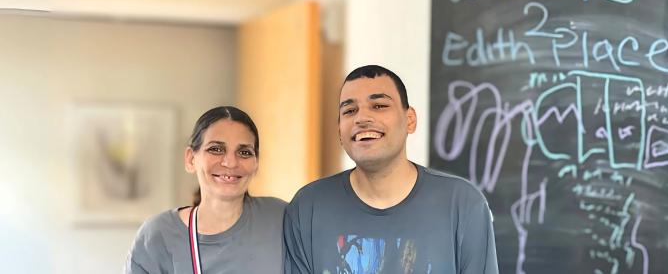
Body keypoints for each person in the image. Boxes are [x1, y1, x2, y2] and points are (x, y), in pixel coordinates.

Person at [283, 65, 499, 273]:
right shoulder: (308, 208)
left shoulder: (463, 204)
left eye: (379, 106)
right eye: (349, 110)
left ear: (410, 120)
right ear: (340, 131)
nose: (362, 118)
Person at [125, 106, 285, 273]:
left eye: (244, 152)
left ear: (256, 163)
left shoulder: (281, 218)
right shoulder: (158, 235)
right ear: (191, 159)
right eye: (216, 149)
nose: (230, 162)